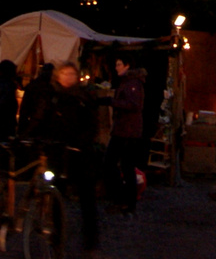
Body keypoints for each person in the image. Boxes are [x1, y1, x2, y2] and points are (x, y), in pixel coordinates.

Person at [19, 60, 100, 250]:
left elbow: (92, 125)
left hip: (78, 154)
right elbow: (39, 118)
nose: (68, 78)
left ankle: (90, 239)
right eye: (65, 74)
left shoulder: (83, 98)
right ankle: (56, 234)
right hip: (57, 152)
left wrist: (82, 142)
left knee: (86, 196)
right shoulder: (52, 97)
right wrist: (25, 135)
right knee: (55, 190)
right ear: (58, 76)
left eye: (72, 74)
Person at [107, 57, 145, 213]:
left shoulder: (133, 84)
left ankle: (127, 201)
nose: (116, 68)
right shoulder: (127, 82)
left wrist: (112, 102)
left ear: (127, 66)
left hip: (127, 132)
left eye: (119, 64)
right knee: (119, 165)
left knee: (122, 165)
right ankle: (125, 200)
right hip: (123, 130)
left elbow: (134, 105)